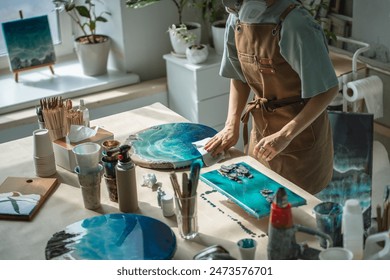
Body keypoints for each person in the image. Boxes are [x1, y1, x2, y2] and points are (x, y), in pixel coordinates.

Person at [205, 0, 339, 194]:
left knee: (296, 213)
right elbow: (238, 76)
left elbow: (327, 90)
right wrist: (231, 124)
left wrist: (285, 135)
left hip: (300, 138)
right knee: (258, 201)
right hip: (261, 132)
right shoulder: (237, 19)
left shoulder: (296, 24)